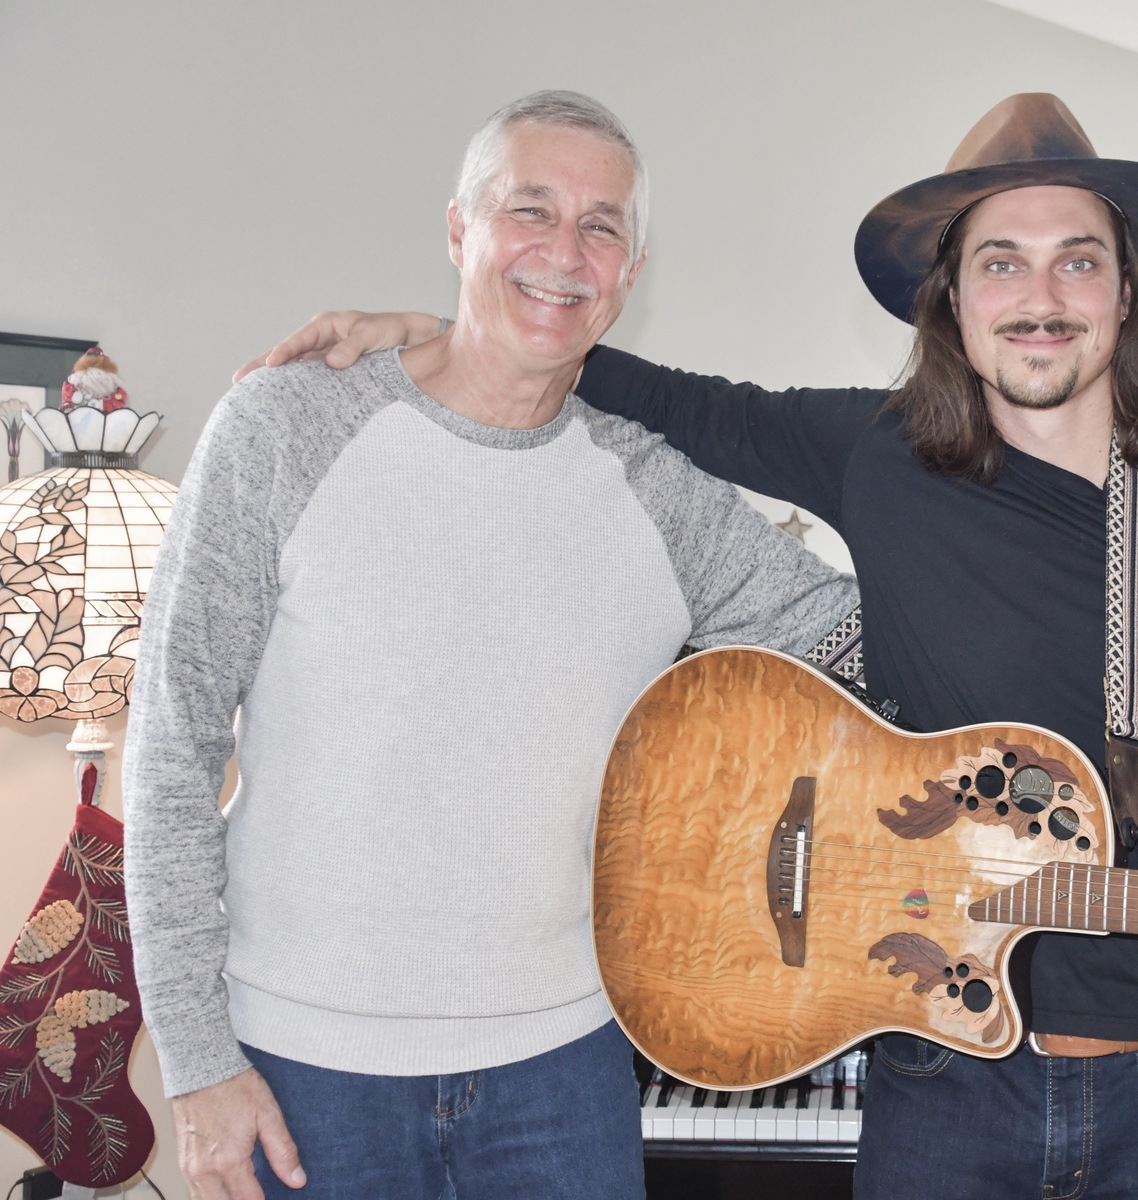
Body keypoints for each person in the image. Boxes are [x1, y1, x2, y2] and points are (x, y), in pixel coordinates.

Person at [246, 95, 1138, 1200]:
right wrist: (443, 332)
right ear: (950, 295)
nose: (1040, 294)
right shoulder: (876, 455)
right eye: (999, 261)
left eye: (1078, 261)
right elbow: (654, 387)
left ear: (1125, 290)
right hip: (939, 1069)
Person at [123, 90, 856, 1200]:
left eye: (601, 227)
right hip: (306, 1070)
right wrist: (195, 1065)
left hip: (561, 1074)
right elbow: (169, 748)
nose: (565, 252)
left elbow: (854, 639)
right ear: (459, 231)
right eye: (530, 211)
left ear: (631, 271)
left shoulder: (658, 494)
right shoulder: (284, 427)